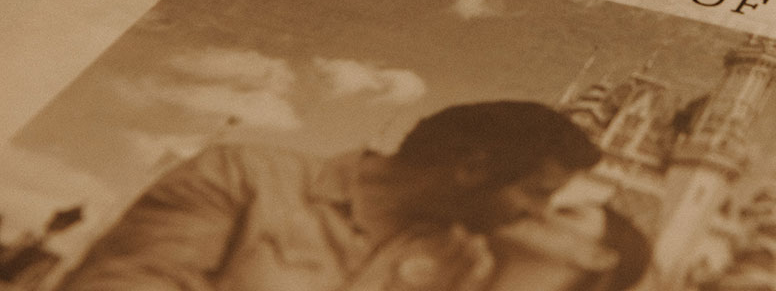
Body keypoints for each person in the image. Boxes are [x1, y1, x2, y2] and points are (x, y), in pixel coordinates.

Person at [55, 101, 602, 291]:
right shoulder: (242, 176)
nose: (537, 214)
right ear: (472, 166)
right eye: (536, 193)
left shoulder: (467, 262)